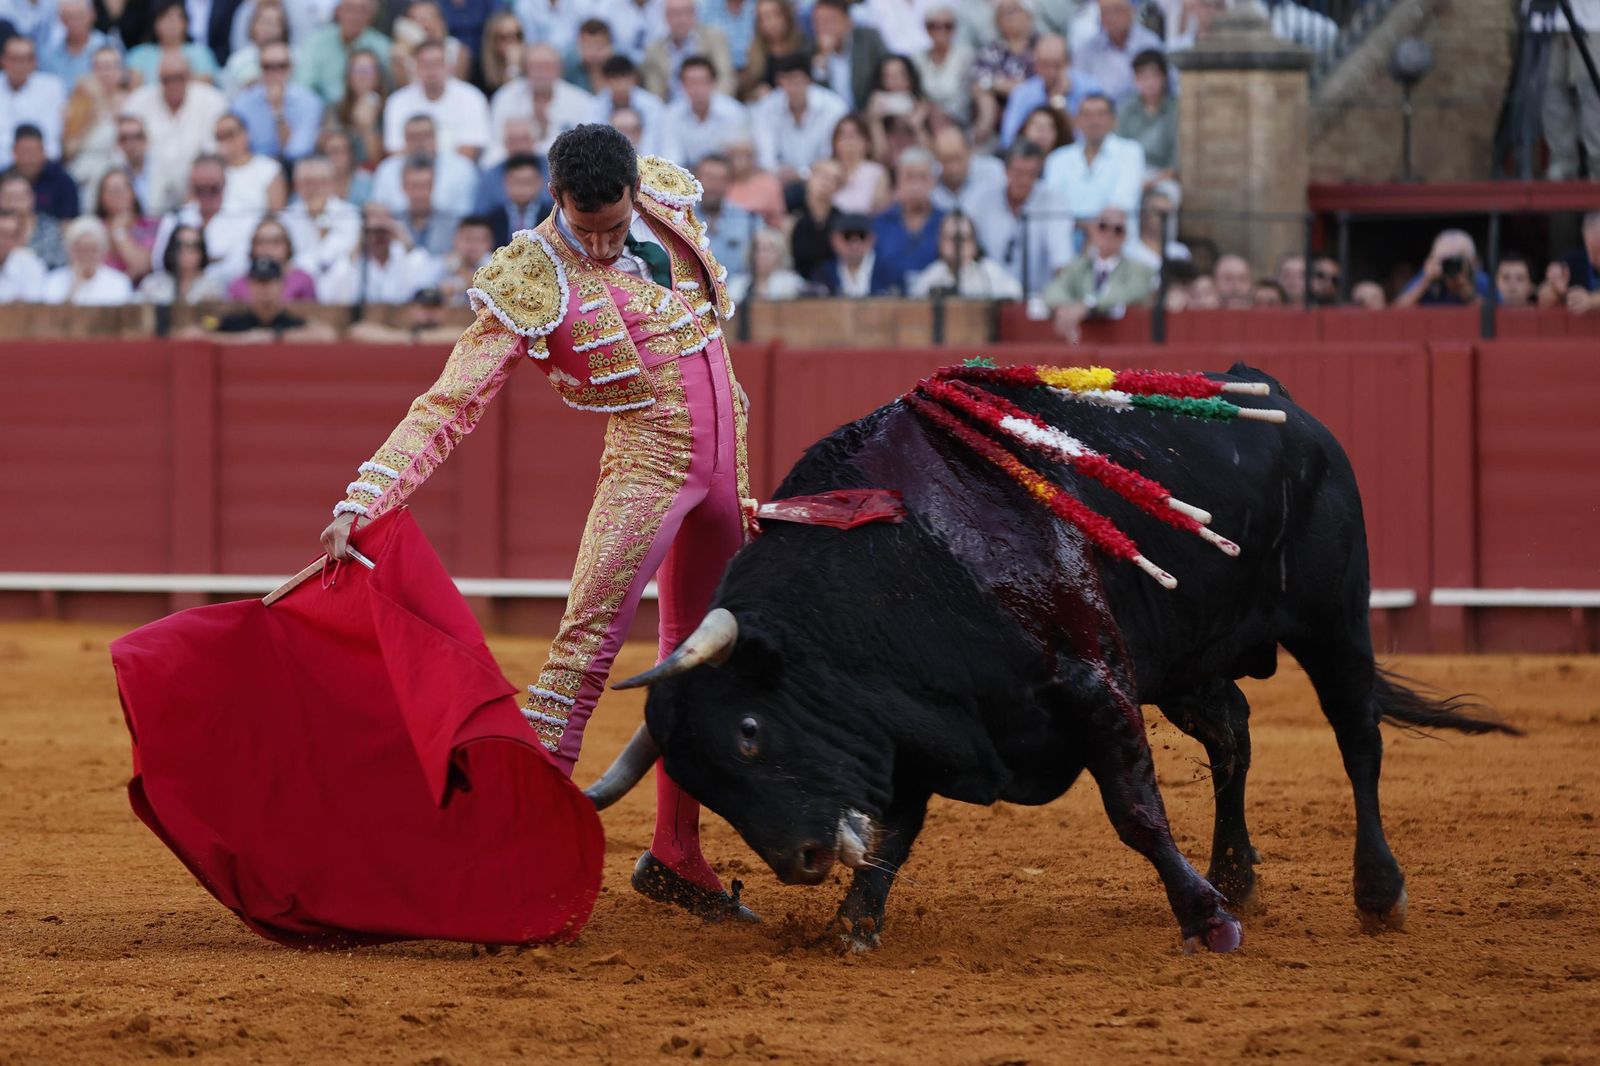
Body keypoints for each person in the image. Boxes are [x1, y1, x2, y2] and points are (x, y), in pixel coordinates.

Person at [319, 125, 759, 924]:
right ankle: (502, 868)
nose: (598, 243)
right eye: (582, 226)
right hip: (648, 471)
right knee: (577, 665)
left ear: (635, 192)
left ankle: (675, 853)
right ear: (554, 197)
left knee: (709, 662)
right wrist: (370, 495)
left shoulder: (665, 201)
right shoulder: (531, 275)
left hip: (730, 471)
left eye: (613, 227)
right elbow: (451, 401)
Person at [122, 52, 228, 217]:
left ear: (189, 76)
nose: (173, 84)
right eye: (167, 79)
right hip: (150, 180)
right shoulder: (138, 101)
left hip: (198, 182)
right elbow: (125, 145)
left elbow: (217, 150)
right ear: (158, 79)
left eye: (179, 77)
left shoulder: (212, 100)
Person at [966, 139, 1071, 296]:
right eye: (1018, 173)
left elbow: (1061, 259)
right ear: (1006, 171)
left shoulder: (1053, 202)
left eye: (1031, 174)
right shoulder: (982, 200)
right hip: (989, 295)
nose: (1024, 180)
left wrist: (1061, 296)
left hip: (1039, 297)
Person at [1040, 204, 1154, 341]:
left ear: (1125, 237)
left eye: (1118, 229)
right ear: (1093, 230)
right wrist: (1065, 308)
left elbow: (1129, 293)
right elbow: (1054, 289)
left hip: (1121, 342)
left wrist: (1087, 306)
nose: (1110, 234)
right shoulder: (1078, 266)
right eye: (1103, 226)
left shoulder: (1139, 268)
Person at [1043, 92, 1144, 241]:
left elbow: (1122, 203)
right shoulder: (1057, 159)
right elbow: (1054, 208)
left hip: (1115, 246)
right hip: (1064, 245)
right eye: (1087, 115)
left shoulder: (1130, 152)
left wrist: (1086, 227)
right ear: (1076, 121)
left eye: (1101, 114)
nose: (1094, 121)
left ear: (1113, 120)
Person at [150, 154, 260, 281]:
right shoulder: (176, 217)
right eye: (199, 189)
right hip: (182, 294)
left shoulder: (245, 216)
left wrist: (195, 269)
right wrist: (214, 261)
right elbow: (158, 262)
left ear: (224, 183)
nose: (206, 194)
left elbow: (240, 266)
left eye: (213, 188)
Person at [383, 37, 489, 162]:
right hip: (412, 172)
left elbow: (470, 151)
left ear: (449, 66)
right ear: (415, 67)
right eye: (425, 64)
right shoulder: (397, 101)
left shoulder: (471, 97)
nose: (431, 70)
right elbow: (395, 152)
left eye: (436, 63)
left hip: (457, 172)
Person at [751, 52, 849, 186]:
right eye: (786, 81)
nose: (792, 88)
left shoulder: (834, 107)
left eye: (797, 81)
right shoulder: (765, 108)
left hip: (823, 180)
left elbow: (832, 154)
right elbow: (765, 156)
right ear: (779, 81)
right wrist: (779, 171)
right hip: (779, 182)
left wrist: (804, 174)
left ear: (809, 80)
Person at [317, 200, 442, 303]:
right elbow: (328, 293)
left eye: (383, 231)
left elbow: (427, 282)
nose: (378, 237)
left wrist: (404, 239)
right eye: (373, 231)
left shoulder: (406, 256)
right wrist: (358, 246)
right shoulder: (354, 261)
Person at [487, 42, 593, 163]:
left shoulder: (581, 101)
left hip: (564, 169)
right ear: (526, 68)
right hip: (514, 164)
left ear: (560, 68)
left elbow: (586, 148)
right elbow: (496, 142)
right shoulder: (505, 96)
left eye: (547, 66)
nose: (542, 72)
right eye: (536, 66)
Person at [998, 34, 1098, 149]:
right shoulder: (1023, 93)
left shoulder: (1089, 88)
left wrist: (1059, 104)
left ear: (1068, 62)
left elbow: (1091, 138)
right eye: (1045, 65)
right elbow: (1008, 140)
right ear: (1036, 65)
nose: (1051, 71)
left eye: (1057, 65)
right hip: (1035, 158)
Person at [232, 39, 324, 162]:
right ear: (260, 68)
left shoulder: (309, 102)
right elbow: (239, 150)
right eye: (268, 67)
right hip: (255, 167)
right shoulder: (243, 103)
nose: (275, 73)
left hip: (294, 167)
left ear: (291, 68)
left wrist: (278, 110)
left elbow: (296, 152)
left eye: (282, 66)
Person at [371, 114, 478, 220]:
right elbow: (380, 212)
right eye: (414, 137)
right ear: (404, 139)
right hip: (398, 231)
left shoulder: (462, 169)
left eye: (425, 136)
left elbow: (466, 215)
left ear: (436, 137)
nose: (420, 142)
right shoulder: (386, 169)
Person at [205, 256, 337, 340]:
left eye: (269, 281)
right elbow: (193, 333)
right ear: (250, 285)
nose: (264, 288)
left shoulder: (289, 321)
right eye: (259, 282)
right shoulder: (235, 320)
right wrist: (244, 338)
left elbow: (327, 335)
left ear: (282, 285)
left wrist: (275, 336)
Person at [1541, 0, 1600, 181]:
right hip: (1542, 17)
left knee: (1592, 89)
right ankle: (1562, 165)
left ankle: (1597, 170)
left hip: (1592, 17)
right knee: (1549, 90)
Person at [280, 153, 360, 283]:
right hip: (297, 288)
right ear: (296, 185)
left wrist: (296, 265)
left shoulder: (350, 214)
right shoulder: (286, 217)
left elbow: (332, 254)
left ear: (331, 182)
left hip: (337, 288)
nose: (313, 188)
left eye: (319, 182)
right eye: (306, 182)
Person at [62, 45, 131, 195]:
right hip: (87, 171)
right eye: (100, 67)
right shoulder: (77, 104)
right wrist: (90, 116)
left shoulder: (134, 101)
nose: (106, 73)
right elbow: (68, 151)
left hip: (122, 172)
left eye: (111, 67)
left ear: (121, 71)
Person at [658, 55, 748, 168]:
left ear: (713, 82)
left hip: (725, 176)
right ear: (682, 85)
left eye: (702, 81)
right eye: (691, 82)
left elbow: (737, 157)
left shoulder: (734, 112)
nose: (697, 88)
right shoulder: (671, 114)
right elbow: (671, 158)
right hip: (685, 179)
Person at [907, 212, 1022, 298]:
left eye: (963, 239)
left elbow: (1015, 294)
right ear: (940, 243)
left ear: (974, 245)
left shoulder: (990, 274)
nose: (957, 245)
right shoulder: (931, 277)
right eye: (950, 238)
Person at [298, 0, 392, 105]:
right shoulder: (317, 42)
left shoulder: (383, 47)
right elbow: (303, 85)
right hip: (324, 111)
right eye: (350, 8)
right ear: (339, 11)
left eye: (362, 10)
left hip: (368, 110)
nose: (355, 16)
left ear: (370, 15)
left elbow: (387, 89)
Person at [871, 146, 943, 281]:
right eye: (909, 177)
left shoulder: (946, 223)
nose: (916, 185)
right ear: (898, 182)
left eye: (922, 177)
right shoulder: (880, 224)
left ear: (933, 182)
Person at [643, 0, 736, 101]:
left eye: (686, 12)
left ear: (695, 13)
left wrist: (711, 107)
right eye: (674, 13)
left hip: (711, 105)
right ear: (665, 16)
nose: (680, 19)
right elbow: (655, 93)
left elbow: (726, 78)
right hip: (671, 110)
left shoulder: (714, 38)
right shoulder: (654, 50)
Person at [974, 0, 1038, 142]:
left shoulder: (1041, 46)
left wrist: (999, 84)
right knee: (982, 93)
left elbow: (1044, 82)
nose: (1009, 17)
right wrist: (1016, 86)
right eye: (1003, 14)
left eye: (1014, 11)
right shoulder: (991, 50)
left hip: (1036, 111)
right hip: (1000, 114)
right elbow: (980, 80)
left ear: (1028, 15)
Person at [1073, 0, 1162, 101]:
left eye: (1117, 10)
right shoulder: (1087, 50)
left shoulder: (1150, 44)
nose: (1112, 18)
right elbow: (1077, 87)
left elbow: (1165, 85)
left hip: (1140, 111)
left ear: (1132, 11)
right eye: (1106, 12)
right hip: (1100, 112)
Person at [0, 33, 65, 169]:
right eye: (14, 59)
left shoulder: (51, 87)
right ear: (3, 60)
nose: (20, 65)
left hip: (40, 165)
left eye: (25, 59)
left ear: (35, 62)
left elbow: (51, 139)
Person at [807, 0, 887, 111]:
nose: (823, 27)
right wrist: (822, 59)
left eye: (829, 20)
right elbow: (817, 98)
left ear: (848, 21)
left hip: (869, 114)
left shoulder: (869, 40)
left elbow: (886, 72)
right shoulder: (810, 49)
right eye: (817, 21)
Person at [40, 215, 134, 305]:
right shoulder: (54, 281)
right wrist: (73, 288)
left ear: (102, 251)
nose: (87, 255)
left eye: (92, 250)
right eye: (80, 250)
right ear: (70, 251)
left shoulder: (119, 282)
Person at [1118, 48, 1176, 193]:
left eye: (1154, 76)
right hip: (1128, 175)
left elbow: (1177, 162)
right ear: (1135, 79)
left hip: (1164, 177)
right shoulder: (1125, 110)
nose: (1149, 83)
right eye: (1143, 77)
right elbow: (1117, 151)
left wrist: (1150, 183)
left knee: (1158, 204)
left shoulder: (1177, 110)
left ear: (1165, 77)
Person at [693, 152, 755, 288]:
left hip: (736, 293)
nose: (713, 184)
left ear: (729, 183)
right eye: (709, 177)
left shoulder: (748, 219)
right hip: (691, 294)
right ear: (696, 179)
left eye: (720, 179)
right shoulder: (681, 217)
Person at [125, 0, 221, 86]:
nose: (172, 24)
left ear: (186, 23)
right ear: (155, 24)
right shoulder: (139, 55)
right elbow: (134, 90)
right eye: (166, 18)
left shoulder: (201, 53)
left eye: (177, 19)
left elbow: (206, 84)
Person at [586, 54, 665, 157]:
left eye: (624, 77)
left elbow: (657, 142)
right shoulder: (594, 106)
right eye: (614, 79)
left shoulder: (654, 105)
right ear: (605, 81)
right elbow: (592, 143)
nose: (620, 85)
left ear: (634, 78)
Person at [225, 215, 318, 300]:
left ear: (288, 246)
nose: (268, 248)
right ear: (252, 247)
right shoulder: (238, 285)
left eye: (275, 242)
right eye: (261, 242)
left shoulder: (303, 282)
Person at [321, 46, 386, 166]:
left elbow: (377, 159)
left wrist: (368, 127)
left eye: (368, 70)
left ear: (378, 76)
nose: (363, 76)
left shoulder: (388, 110)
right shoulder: (336, 108)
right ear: (348, 77)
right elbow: (326, 148)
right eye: (357, 70)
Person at [137, 221, 230, 303]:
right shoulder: (153, 284)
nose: (187, 251)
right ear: (171, 249)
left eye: (194, 246)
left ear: (202, 252)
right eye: (180, 245)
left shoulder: (213, 288)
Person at [1393, 229, 1490, 307]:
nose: (1451, 267)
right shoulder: (1429, 277)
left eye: (1457, 262)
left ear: (1471, 263)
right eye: (1445, 262)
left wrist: (1467, 292)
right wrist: (1425, 282)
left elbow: (1496, 317)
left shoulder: (1480, 280)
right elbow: (1397, 311)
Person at [812, 209, 900, 295]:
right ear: (834, 239)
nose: (855, 243)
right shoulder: (823, 274)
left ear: (872, 239)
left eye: (862, 236)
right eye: (847, 236)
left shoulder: (891, 274)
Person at [216, 112, 288, 215]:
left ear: (245, 135)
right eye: (219, 136)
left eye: (229, 134)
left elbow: (277, 216)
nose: (224, 141)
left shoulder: (269, 169)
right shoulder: (209, 172)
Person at [912, 4, 974, 124]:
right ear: (926, 28)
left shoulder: (966, 57)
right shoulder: (916, 58)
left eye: (947, 26)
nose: (941, 31)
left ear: (955, 29)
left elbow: (969, 95)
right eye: (934, 26)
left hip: (958, 120)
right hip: (924, 119)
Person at [94, 166, 158, 280]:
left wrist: (119, 231)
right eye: (111, 191)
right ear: (101, 197)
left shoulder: (150, 225)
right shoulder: (95, 229)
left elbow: (143, 266)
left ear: (133, 193)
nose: (117, 196)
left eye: (121, 189)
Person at [346, 283, 462, 342]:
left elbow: (463, 336)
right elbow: (357, 330)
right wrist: (410, 338)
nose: (429, 313)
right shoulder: (403, 334)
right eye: (424, 307)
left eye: (434, 307)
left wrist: (421, 338)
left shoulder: (457, 334)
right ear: (411, 309)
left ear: (444, 311)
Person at [929, 124, 1003, 215]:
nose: (953, 168)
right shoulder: (928, 178)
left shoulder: (993, 171)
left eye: (958, 158)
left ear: (968, 153)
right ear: (937, 159)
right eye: (946, 161)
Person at [40, 0, 115, 89]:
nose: (74, 22)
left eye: (80, 16)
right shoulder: (49, 52)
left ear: (92, 15)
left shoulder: (110, 45)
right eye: (68, 17)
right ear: (60, 19)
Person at [741, 0, 810, 96]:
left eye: (775, 15)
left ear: (786, 15)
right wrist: (756, 93)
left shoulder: (805, 45)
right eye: (762, 18)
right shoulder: (755, 54)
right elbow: (746, 90)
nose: (769, 22)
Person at [789, 156, 841, 279]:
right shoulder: (792, 220)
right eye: (822, 176)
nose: (825, 183)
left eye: (832, 179)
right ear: (810, 178)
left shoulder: (842, 220)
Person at [219, 0, 287, 94]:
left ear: (282, 27)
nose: (267, 28)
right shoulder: (238, 60)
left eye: (272, 23)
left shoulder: (295, 56)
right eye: (263, 22)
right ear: (253, 26)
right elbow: (228, 95)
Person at [828, 112, 889, 216]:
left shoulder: (877, 172)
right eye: (843, 137)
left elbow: (879, 210)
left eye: (854, 136)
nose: (849, 143)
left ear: (867, 142)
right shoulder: (826, 170)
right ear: (834, 143)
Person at [485, 152, 552, 246]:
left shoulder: (552, 218)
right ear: (505, 182)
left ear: (539, 182)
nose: (521, 188)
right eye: (515, 182)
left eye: (527, 182)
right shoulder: (492, 219)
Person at [0, 170, 64, 267]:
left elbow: (57, 265)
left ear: (32, 197)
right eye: (9, 198)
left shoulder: (49, 228)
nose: (15, 204)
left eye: (20, 198)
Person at [11, 124, 76, 219]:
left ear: (43, 151)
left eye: (33, 152)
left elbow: (69, 220)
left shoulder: (63, 181)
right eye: (24, 152)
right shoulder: (4, 180)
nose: (29, 159)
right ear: (14, 152)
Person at [396, 153, 454, 256]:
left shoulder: (451, 225)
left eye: (425, 186)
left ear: (433, 185)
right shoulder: (394, 223)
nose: (419, 193)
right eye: (414, 186)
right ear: (403, 186)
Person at [1542, 210, 1600, 312]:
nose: (1592, 259)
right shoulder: (1574, 260)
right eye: (1590, 251)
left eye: (1599, 252)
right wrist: (1558, 292)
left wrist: (1591, 301)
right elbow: (1542, 298)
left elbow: (1589, 301)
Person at [724, 134, 785, 228]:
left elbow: (778, 220)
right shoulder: (721, 183)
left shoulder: (769, 184)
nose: (741, 161)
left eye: (747, 155)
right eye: (736, 155)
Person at [435, 215, 494, 305]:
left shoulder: (495, 265)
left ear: (490, 243)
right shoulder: (444, 263)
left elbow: (490, 291)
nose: (473, 246)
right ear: (455, 240)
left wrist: (459, 271)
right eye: (468, 239)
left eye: (479, 240)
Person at [738, 225, 805, 301]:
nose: (761, 254)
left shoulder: (792, 285)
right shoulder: (738, 285)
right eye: (757, 249)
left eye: (767, 249)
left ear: (780, 254)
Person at [0, 208, 46, 300]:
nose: (4, 241)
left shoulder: (30, 263)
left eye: (12, 236)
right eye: (2, 234)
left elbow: (33, 303)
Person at [478, 10, 525, 96]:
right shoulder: (480, 69)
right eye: (505, 37)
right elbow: (505, 101)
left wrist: (514, 66)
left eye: (518, 35)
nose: (513, 41)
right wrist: (512, 69)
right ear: (493, 41)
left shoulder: (529, 68)